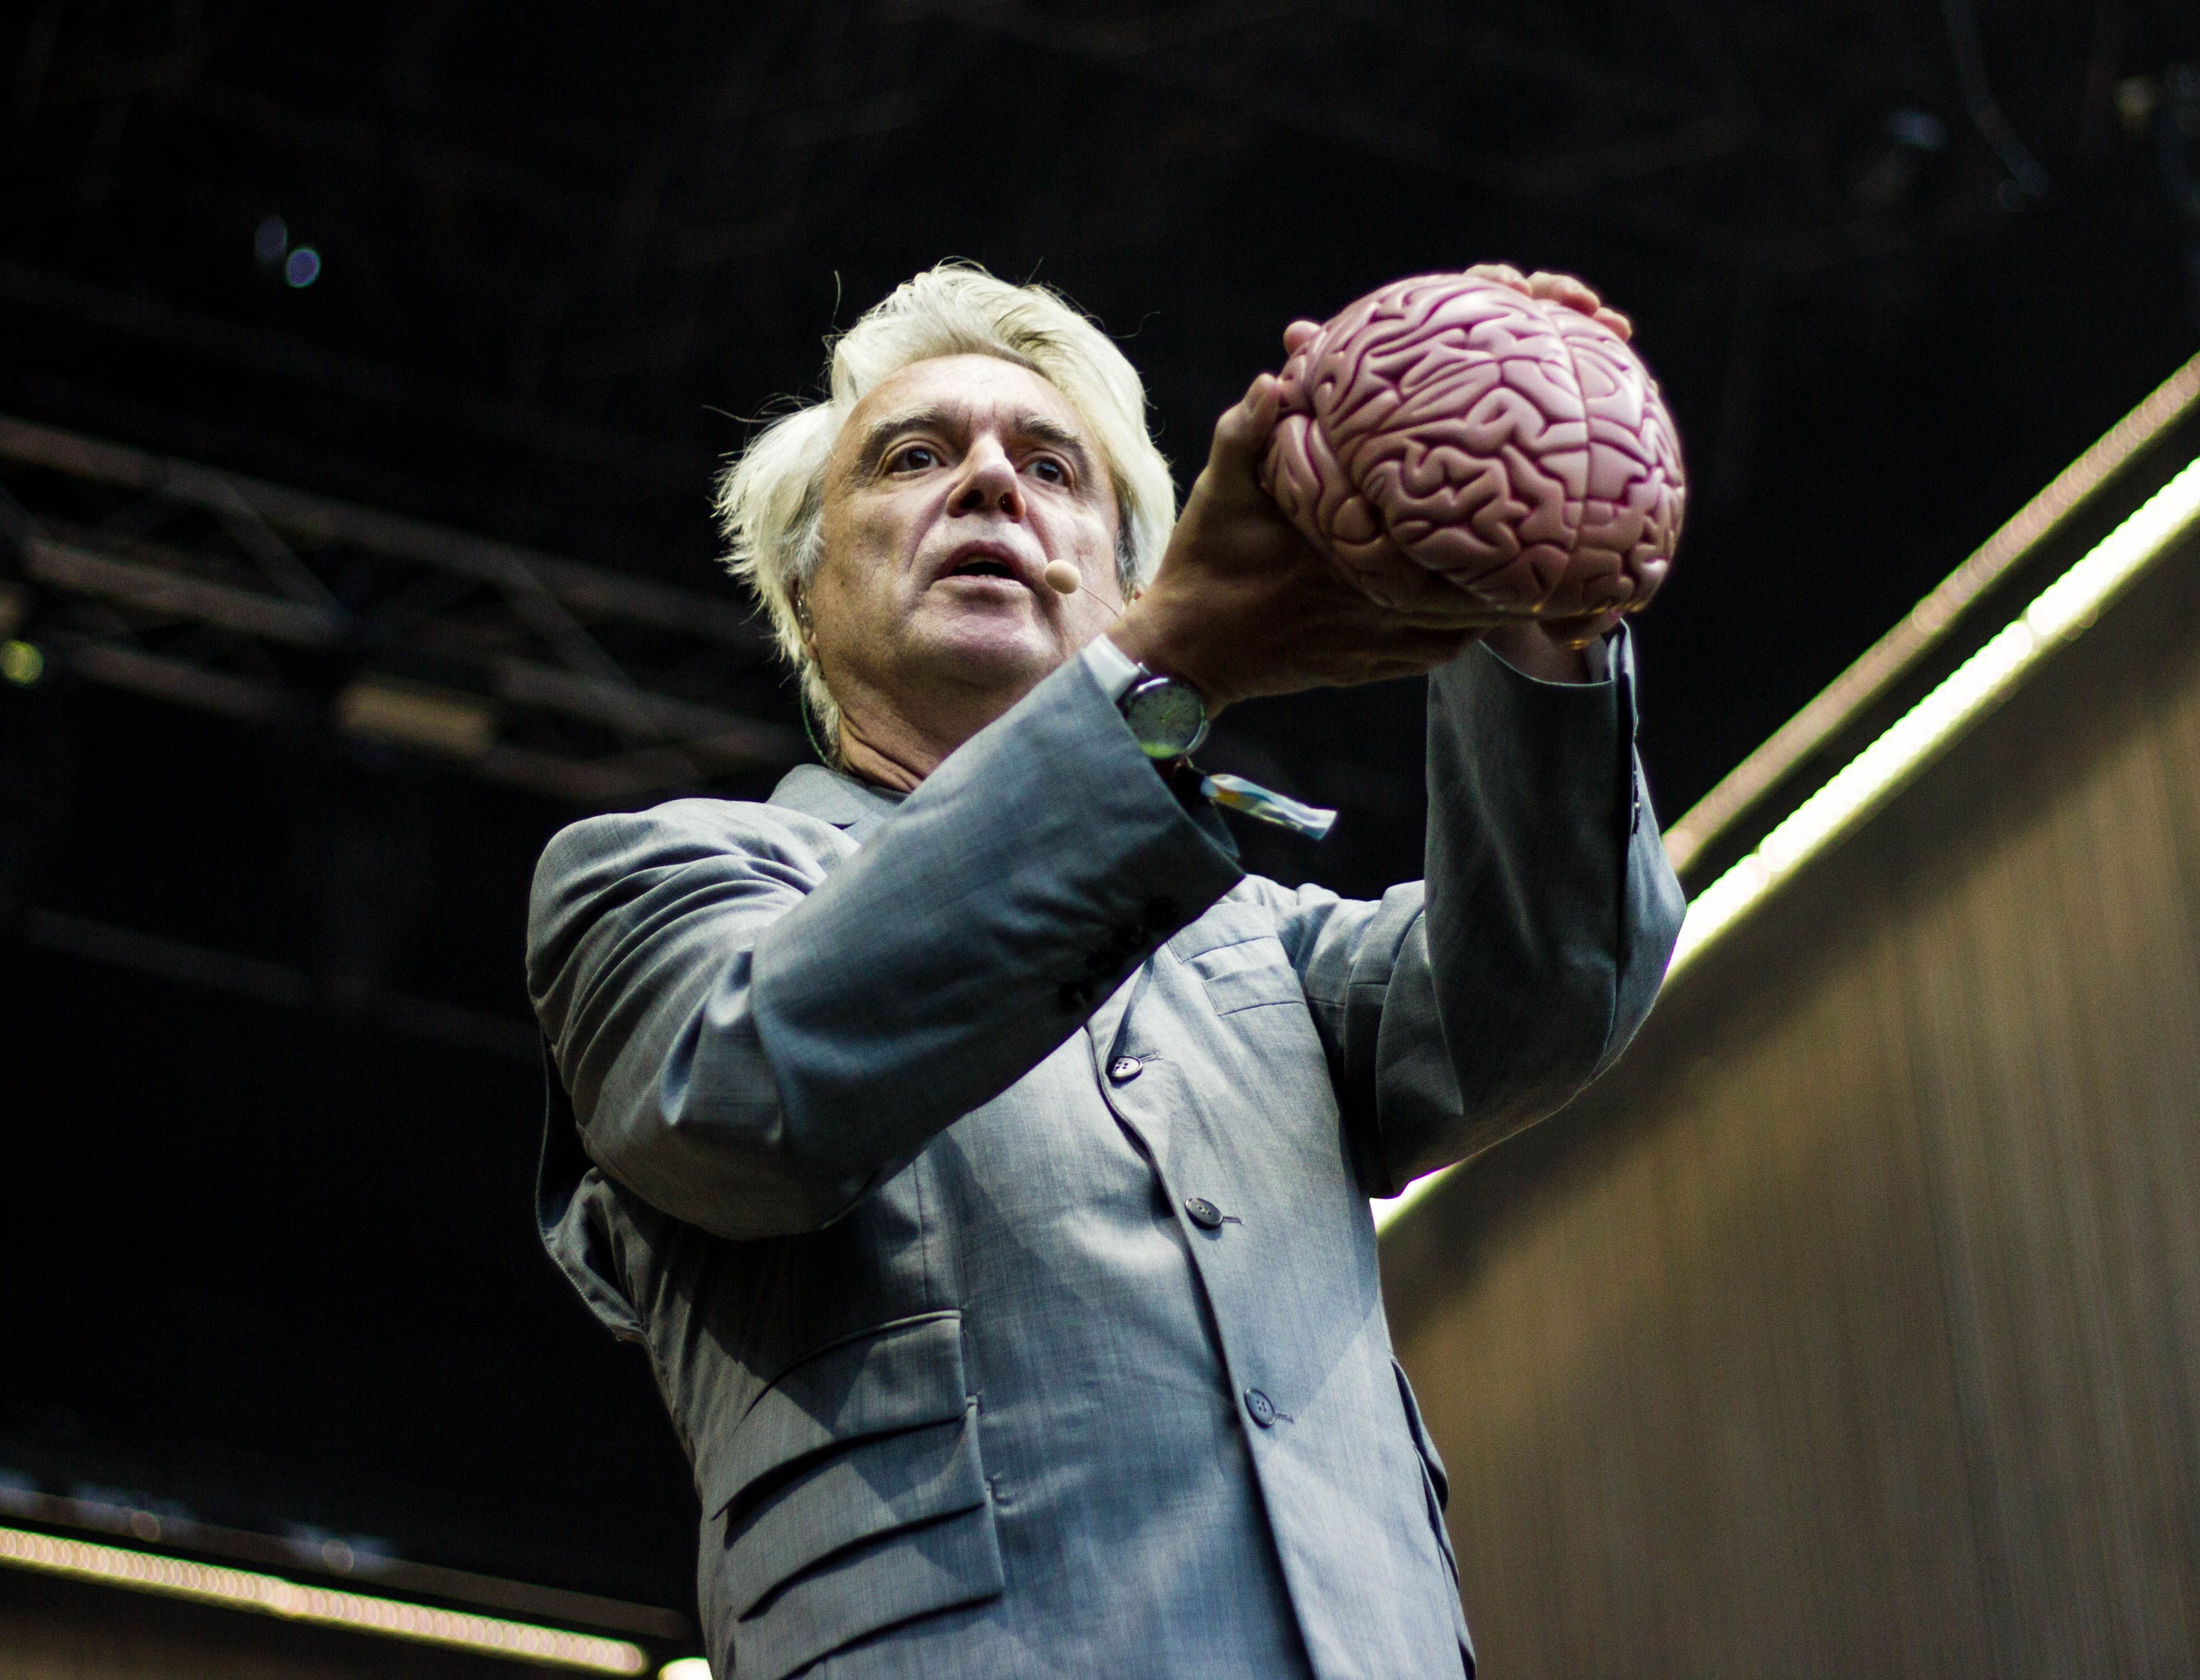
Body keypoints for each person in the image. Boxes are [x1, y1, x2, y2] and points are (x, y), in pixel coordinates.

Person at [528, 262, 1686, 1680]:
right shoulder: (653, 882)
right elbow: (746, 1096)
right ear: (804, 599)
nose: (988, 483)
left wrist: (1532, 598)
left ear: (1118, 584)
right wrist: (1169, 664)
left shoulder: (1263, 950)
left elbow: (1546, 992)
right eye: (912, 457)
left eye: (1050, 467)